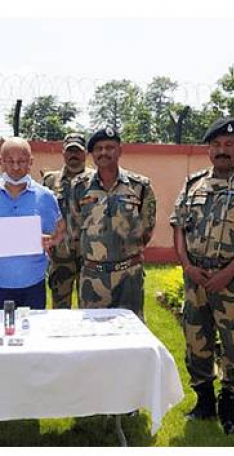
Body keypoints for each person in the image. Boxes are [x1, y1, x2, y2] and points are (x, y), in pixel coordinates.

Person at [169, 117, 234, 434]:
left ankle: (228, 406)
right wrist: (187, 266)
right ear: (208, 150)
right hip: (196, 279)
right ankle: (203, 402)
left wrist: (228, 272)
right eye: (216, 145)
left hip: (233, 279)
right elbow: (178, 226)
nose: (222, 150)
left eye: (229, 145)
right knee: (195, 340)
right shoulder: (194, 184)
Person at [68, 128, 156, 320]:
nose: (104, 153)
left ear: (120, 150)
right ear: (91, 154)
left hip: (128, 277)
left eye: (110, 147)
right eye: (98, 148)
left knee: (131, 336)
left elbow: (147, 228)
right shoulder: (79, 186)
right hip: (93, 277)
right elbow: (75, 228)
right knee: (93, 336)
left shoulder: (140, 186)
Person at [0, 137, 62, 310]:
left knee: (32, 332)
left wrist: (50, 240)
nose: (15, 167)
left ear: (31, 162)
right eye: (10, 161)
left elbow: (60, 230)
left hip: (33, 283)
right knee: (1, 333)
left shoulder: (45, 197)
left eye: (21, 161)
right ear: (1, 162)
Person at [41, 133, 93, 309]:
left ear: (85, 153)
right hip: (60, 257)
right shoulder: (50, 181)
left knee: (90, 310)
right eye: (70, 151)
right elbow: (42, 213)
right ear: (63, 153)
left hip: (89, 257)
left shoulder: (96, 180)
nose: (74, 155)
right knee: (60, 309)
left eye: (77, 151)